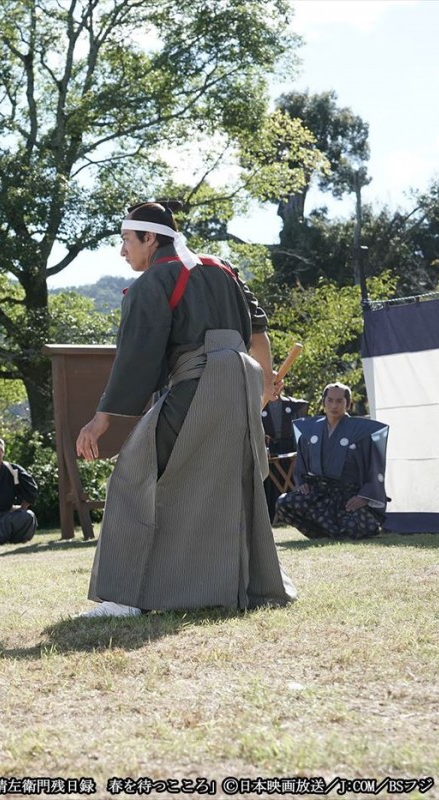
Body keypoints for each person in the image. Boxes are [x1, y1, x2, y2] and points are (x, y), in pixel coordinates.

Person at [75, 201, 296, 617]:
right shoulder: (224, 269)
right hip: (241, 383)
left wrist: (102, 418)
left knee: (136, 474)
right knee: (227, 484)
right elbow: (258, 330)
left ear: (151, 238)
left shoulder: (155, 281)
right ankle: (244, 587)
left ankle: (123, 598)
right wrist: (265, 386)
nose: (122, 251)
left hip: (199, 381)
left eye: (126, 240)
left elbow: (136, 359)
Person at [275, 383, 389, 540]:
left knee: (361, 525)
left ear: (348, 404)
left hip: (349, 495)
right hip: (320, 494)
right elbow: (301, 465)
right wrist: (302, 484)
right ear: (323, 402)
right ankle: (324, 533)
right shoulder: (310, 431)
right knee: (284, 502)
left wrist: (364, 496)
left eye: (339, 401)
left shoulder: (361, 432)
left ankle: (333, 530)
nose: (334, 405)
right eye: (330, 400)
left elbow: (375, 469)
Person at [262, 376, 309, 520]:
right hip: (269, 451)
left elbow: (300, 432)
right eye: (271, 383)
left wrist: (300, 452)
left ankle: (294, 514)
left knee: (295, 478)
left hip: (290, 449)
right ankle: (272, 515)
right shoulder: (258, 404)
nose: (275, 387)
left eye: (277, 383)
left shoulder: (293, 405)